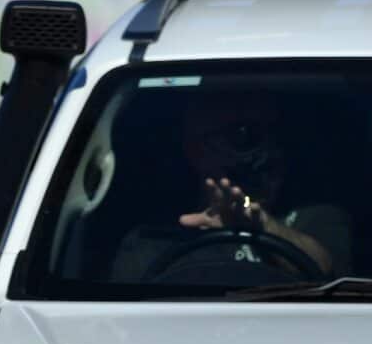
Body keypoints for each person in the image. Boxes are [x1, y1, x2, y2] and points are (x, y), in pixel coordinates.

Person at [113, 94, 352, 283]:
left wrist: (261, 225)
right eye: (244, 135)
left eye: (275, 134)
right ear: (197, 150)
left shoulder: (315, 218)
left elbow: (328, 276)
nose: (266, 151)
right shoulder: (153, 239)